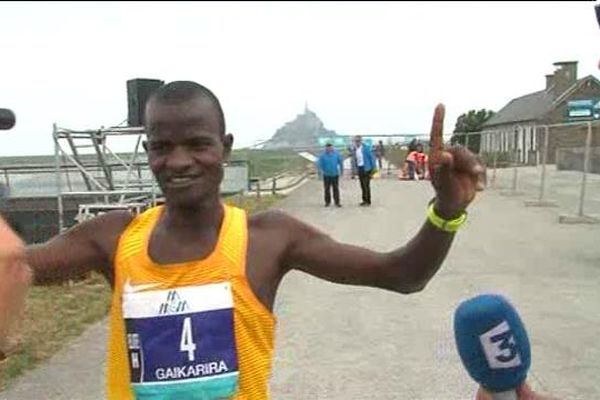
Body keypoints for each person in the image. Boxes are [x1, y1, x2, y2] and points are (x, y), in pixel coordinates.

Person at [0, 81, 485, 400]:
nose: (180, 161)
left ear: (225, 149)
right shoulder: (113, 238)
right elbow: (11, 265)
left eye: (198, 144)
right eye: (162, 147)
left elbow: (401, 274)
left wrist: (445, 213)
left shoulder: (268, 239)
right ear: (148, 152)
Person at [353, 135, 377, 206]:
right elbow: (355, 160)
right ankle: (364, 200)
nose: (357, 142)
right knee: (362, 185)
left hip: (367, 168)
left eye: (358, 141)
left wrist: (374, 171)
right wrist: (355, 170)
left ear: (361, 141)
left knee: (366, 185)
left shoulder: (366, 148)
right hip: (360, 168)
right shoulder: (355, 149)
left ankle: (368, 201)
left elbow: (372, 159)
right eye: (356, 141)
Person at [317, 143, 343, 207]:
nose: (329, 149)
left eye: (331, 148)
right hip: (326, 175)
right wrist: (320, 173)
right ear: (326, 148)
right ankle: (327, 202)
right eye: (328, 148)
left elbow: (340, 163)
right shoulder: (322, 155)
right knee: (327, 189)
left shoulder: (336, 154)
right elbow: (319, 165)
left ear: (332, 148)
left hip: (335, 174)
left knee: (336, 189)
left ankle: (337, 202)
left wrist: (341, 171)